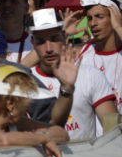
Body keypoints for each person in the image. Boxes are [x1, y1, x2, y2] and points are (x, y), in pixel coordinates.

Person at [29, 8, 117, 139]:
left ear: (65, 37)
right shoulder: (24, 81)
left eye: (54, 39)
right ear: (32, 43)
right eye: (40, 41)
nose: (48, 49)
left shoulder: (90, 75)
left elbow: (112, 126)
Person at [78, 0, 122, 115]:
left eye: (99, 16)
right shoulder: (82, 52)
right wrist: (63, 32)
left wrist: (118, 26)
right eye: (90, 18)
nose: (93, 23)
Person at [0, 0, 37, 66]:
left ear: (26, 9)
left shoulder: (36, 43)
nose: (7, 4)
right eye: (2, 1)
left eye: (14, 1)